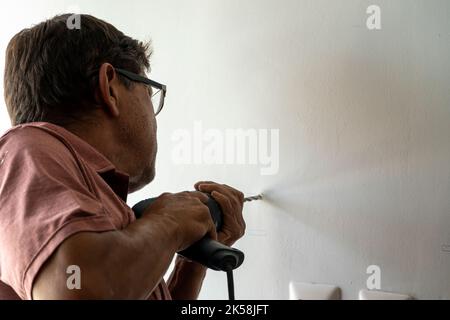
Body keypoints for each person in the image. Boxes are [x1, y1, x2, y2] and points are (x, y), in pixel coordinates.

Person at [0, 13, 245, 300]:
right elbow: (78, 292)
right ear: (110, 87)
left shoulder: (97, 221)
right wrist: (169, 222)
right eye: (149, 92)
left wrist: (191, 259)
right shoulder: (25, 149)